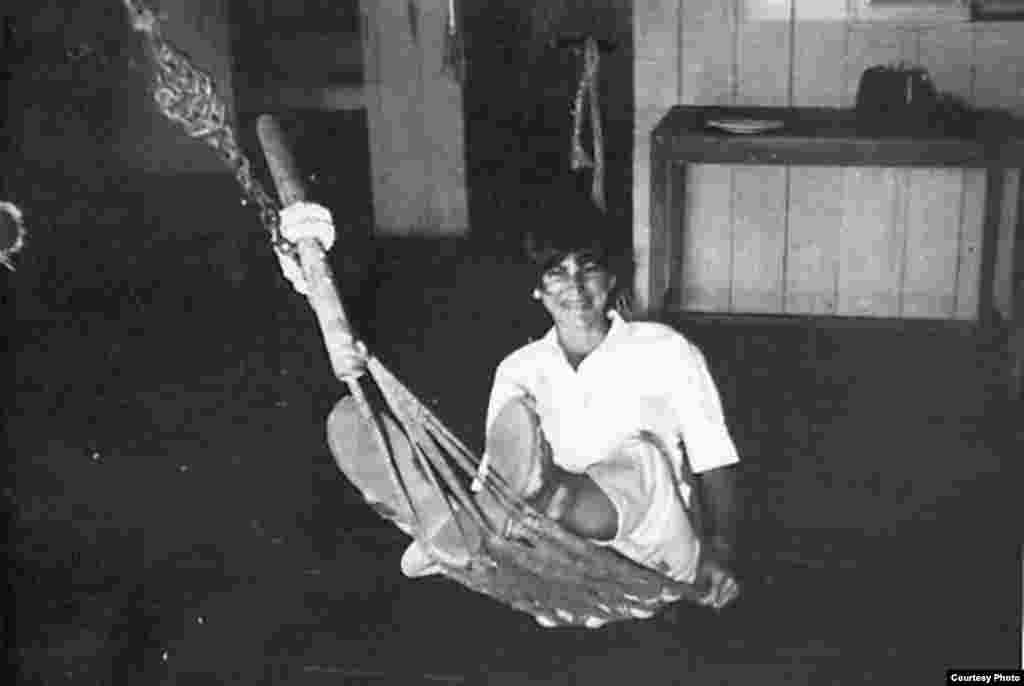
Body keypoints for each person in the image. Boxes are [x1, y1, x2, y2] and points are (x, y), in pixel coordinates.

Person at [277, 201, 741, 615]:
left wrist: (718, 550)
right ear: (537, 288)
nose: (575, 287)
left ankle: (546, 498)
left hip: (653, 555)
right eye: (557, 272)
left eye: (589, 269)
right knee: (509, 474)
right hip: (557, 566)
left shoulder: (665, 349)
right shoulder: (520, 369)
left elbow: (713, 455)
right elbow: (495, 474)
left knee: (641, 459)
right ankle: (438, 510)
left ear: (613, 276)